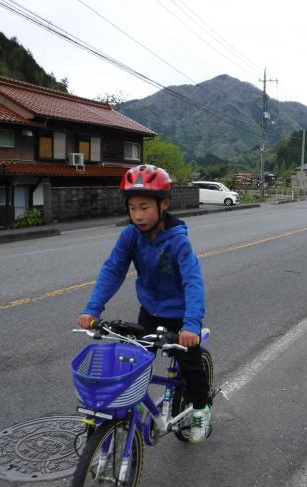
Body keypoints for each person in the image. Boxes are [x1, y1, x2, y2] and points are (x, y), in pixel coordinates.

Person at [77, 164, 211, 443]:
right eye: (132, 207)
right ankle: (130, 411)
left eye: (145, 207)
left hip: (180, 316)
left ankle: (201, 408)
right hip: (149, 312)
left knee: (191, 364)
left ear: (164, 204)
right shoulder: (130, 235)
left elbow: (193, 283)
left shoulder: (178, 243)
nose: (137, 215)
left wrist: (191, 324)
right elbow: (113, 269)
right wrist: (93, 309)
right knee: (130, 364)